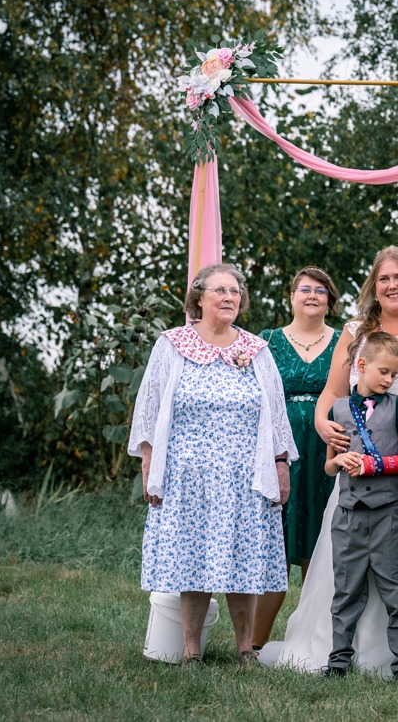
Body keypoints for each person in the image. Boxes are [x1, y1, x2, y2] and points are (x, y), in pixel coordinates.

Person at [258, 246, 398, 674]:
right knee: (354, 568)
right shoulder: (355, 332)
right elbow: (332, 392)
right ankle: (344, 649)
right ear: (374, 286)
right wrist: (323, 423)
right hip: (360, 472)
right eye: (383, 279)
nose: (392, 285)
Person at [128, 262, 296, 665]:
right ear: (198, 298)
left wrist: (280, 463)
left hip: (246, 476)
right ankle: (190, 650)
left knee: (245, 560)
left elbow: (275, 412)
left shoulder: (255, 349)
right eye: (220, 290)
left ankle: (245, 649)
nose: (229, 297)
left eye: (235, 291)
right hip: (188, 476)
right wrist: (149, 463)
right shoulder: (172, 344)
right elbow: (149, 407)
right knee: (192, 559)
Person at [251, 267, 342, 649]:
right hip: (279, 453)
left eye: (321, 290)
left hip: (328, 450)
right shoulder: (267, 340)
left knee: (320, 545)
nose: (312, 295)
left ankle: (314, 642)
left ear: (329, 301)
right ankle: (253, 643)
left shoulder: (344, 341)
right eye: (305, 289)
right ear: (291, 296)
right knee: (276, 545)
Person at [324, 332, 398, 679]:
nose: (389, 379)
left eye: (394, 374)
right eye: (384, 371)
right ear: (362, 365)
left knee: (395, 589)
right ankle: (338, 661)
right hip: (348, 516)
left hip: (386, 515)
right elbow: (328, 465)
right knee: (346, 590)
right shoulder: (337, 409)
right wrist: (338, 461)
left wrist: (373, 465)